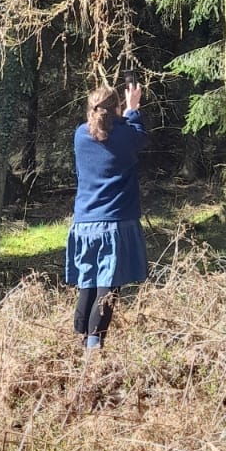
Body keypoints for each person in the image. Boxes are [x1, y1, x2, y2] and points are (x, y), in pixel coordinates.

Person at [65, 79, 148, 353]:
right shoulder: (126, 136)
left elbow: (110, 131)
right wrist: (133, 108)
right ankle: (93, 347)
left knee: (87, 284)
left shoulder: (80, 135)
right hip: (114, 225)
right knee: (107, 287)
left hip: (84, 224)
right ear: (116, 109)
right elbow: (137, 134)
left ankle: (79, 342)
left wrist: (121, 114)